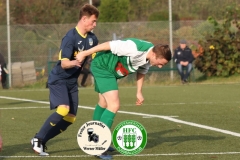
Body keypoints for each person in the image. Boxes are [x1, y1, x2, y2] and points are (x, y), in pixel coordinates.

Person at [76, 38, 172, 157]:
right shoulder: (133, 47)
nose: (160, 67)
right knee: (114, 105)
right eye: (161, 63)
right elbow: (107, 45)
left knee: (103, 103)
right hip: (103, 67)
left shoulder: (149, 56)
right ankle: (99, 145)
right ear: (154, 54)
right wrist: (85, 53)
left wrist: (139, 92)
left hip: (109, 70)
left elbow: (142, 71)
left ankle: (93, 139)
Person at [30, 4, 99, 156]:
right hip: (59, 78)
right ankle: (38, 140)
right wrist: (77, 61)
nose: (95, 24)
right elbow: (64, 63)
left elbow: (97, 58)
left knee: (70, 119)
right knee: (63, 109)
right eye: (93, 21)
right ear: (84, 19)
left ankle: (39, 140)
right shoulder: (70, 37)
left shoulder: (93, 39)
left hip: (71, 82)